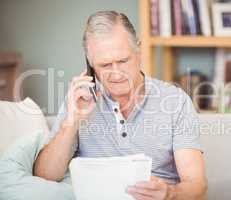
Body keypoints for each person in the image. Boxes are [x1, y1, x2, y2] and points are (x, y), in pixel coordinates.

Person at [33, 11, 207, 200]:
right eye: (105, 65)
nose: (117, 74)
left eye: (123, 61)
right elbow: (45, 176)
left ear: (138, 51)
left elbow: (197, 184)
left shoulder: (175, 101)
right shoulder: (79, 100)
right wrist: (71, 122)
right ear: (90, 64)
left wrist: (170, 193)